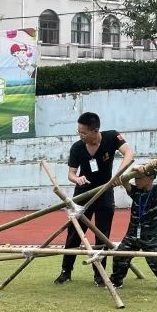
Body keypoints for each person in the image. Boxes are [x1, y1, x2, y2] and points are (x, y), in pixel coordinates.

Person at [56, 112, 134, 286]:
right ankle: (65, 271)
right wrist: (77, 179)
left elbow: (129, 153)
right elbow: (71, 173)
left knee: (102, 235)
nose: (80, 135)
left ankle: (99, 275)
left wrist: (118, 174)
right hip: (83, 195)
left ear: (95, 130)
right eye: (78, 132)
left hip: (105, 192)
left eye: (83, 132)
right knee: (74, 234)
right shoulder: (77, 147)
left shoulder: (111, 137)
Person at [109, 161, 157, 291]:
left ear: (150, 178)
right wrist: (134, 169)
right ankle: (116, 281)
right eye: (135, 179)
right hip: (132, 234)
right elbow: (124, 179)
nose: (136, 181)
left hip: (152, 235)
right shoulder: (135, 192)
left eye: (139, 178)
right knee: (120, 255)